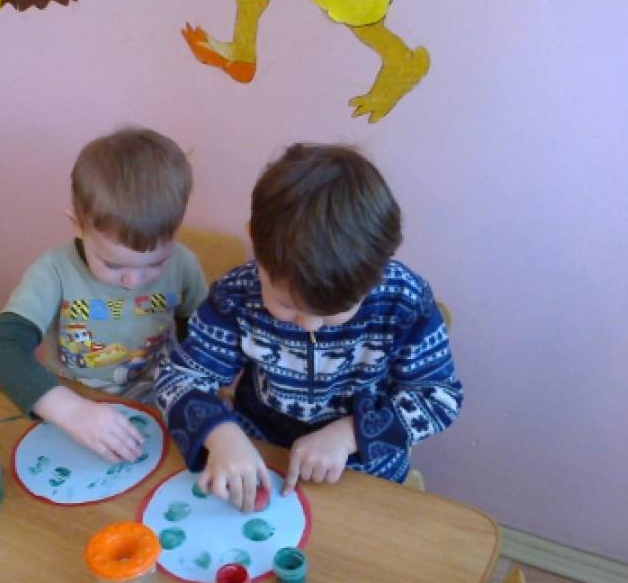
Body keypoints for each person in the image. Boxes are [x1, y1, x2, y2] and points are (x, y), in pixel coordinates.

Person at [155, 143, 462, 511]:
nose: (308, 324)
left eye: (336, 311)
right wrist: (220, 435)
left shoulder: (404, 301)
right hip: (261, 458)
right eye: (287, 305)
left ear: (381, 266)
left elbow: (439, 397)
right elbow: (179, 378)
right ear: (255, 242)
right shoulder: (236, 297)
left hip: (363, 470)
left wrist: (350, 434)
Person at [0, 128, 208, 463]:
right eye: (114, 265)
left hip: (159, 403)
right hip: (76, 406)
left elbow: (203, 340)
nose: (133, 281)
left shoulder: (184, 264)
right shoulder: (54, 272)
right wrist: (72, 412)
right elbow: (0, 351)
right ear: (77, 225)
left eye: (156, 263)